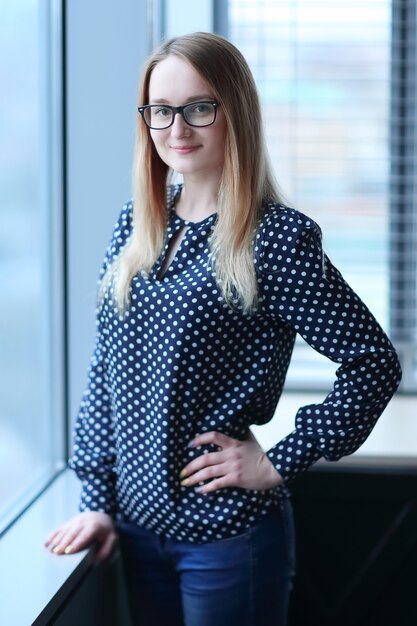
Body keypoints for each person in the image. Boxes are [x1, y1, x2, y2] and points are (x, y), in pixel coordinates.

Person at [45, 31, 401, 626]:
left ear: (233, 111)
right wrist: (97, 503)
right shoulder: (138, 222)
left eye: (199, 107)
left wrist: (279, 460)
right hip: (134, 530)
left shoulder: (276, 240)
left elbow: (373, 363)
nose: (177, 127)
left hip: (226, 539)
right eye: (161, 110)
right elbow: (107, 372)